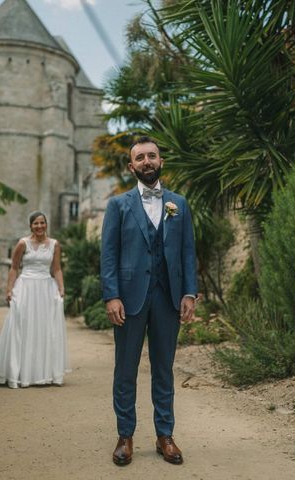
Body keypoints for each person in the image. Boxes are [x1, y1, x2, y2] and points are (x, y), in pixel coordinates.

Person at [101, 136, 197, 466]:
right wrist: (111, 295)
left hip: (168, 297)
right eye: (140, 157)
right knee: (125, 370)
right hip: (128, 300)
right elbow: (109, 254)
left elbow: (187, 252)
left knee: (164, 370)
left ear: (161, 161)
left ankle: (165, 436)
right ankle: (125, 436)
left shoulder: (179, 205)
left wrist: (189, 292)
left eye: (151, 156)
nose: (146, 161)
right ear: (131, 167)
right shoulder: (118, 205)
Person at [0, 211, 69, 388]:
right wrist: (9, 290)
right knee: (22, 327)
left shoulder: (55, 244)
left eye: (42, 223)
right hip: (25, 288)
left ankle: (43, 373)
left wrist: (61, 288)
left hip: (46, 289)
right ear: (30, 226)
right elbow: (14, 268)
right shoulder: (22, 243)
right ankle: (18, 372)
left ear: (46, 224)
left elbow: (56, 269)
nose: (39, 226)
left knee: (44, 329)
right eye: (36, 223)